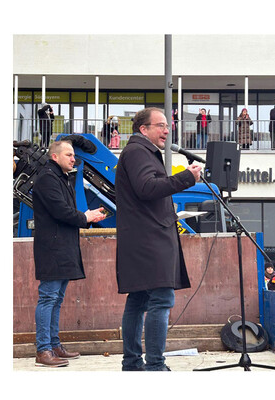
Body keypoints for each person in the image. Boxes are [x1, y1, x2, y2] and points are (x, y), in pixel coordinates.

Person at [115, 107, 202, 371]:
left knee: (138, 299)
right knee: (161, 299)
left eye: (168, 126)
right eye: (161, 125)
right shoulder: (139, 152)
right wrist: (186, 177)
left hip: (142, 238)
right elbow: (148, 188)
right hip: (149, 241)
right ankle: (155, 366)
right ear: (144, 129)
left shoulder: (138, 152)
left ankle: (132, 363)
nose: (167, 130)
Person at [32, 140, 106, 367]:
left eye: (73, 155)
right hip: (53, 248)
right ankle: (43, 351)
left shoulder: (61, 178)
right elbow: (60, 211)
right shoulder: (48, 179)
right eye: (69, 155)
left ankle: (54, 346)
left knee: (56, 299)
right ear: (55, 157)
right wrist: (86, 218)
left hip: (62, 247)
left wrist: (86, 215)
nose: (73, 158)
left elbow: (65, 211)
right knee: (48, 298)